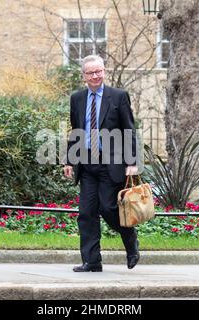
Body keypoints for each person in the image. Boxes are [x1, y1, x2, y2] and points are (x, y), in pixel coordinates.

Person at [64, 55, 139, 272]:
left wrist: (132, 162)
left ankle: (130, 239)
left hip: (111, 163)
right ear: (84, 76)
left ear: (104, 71)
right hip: (87, 163)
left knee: (108, 208)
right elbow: (76, 131)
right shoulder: (77, 98)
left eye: (99, 71)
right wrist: (69, 159)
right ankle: (92, 261)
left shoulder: (118, 96)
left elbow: (129, 130)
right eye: (91, 73)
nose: (96, 76)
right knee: (86, 213)